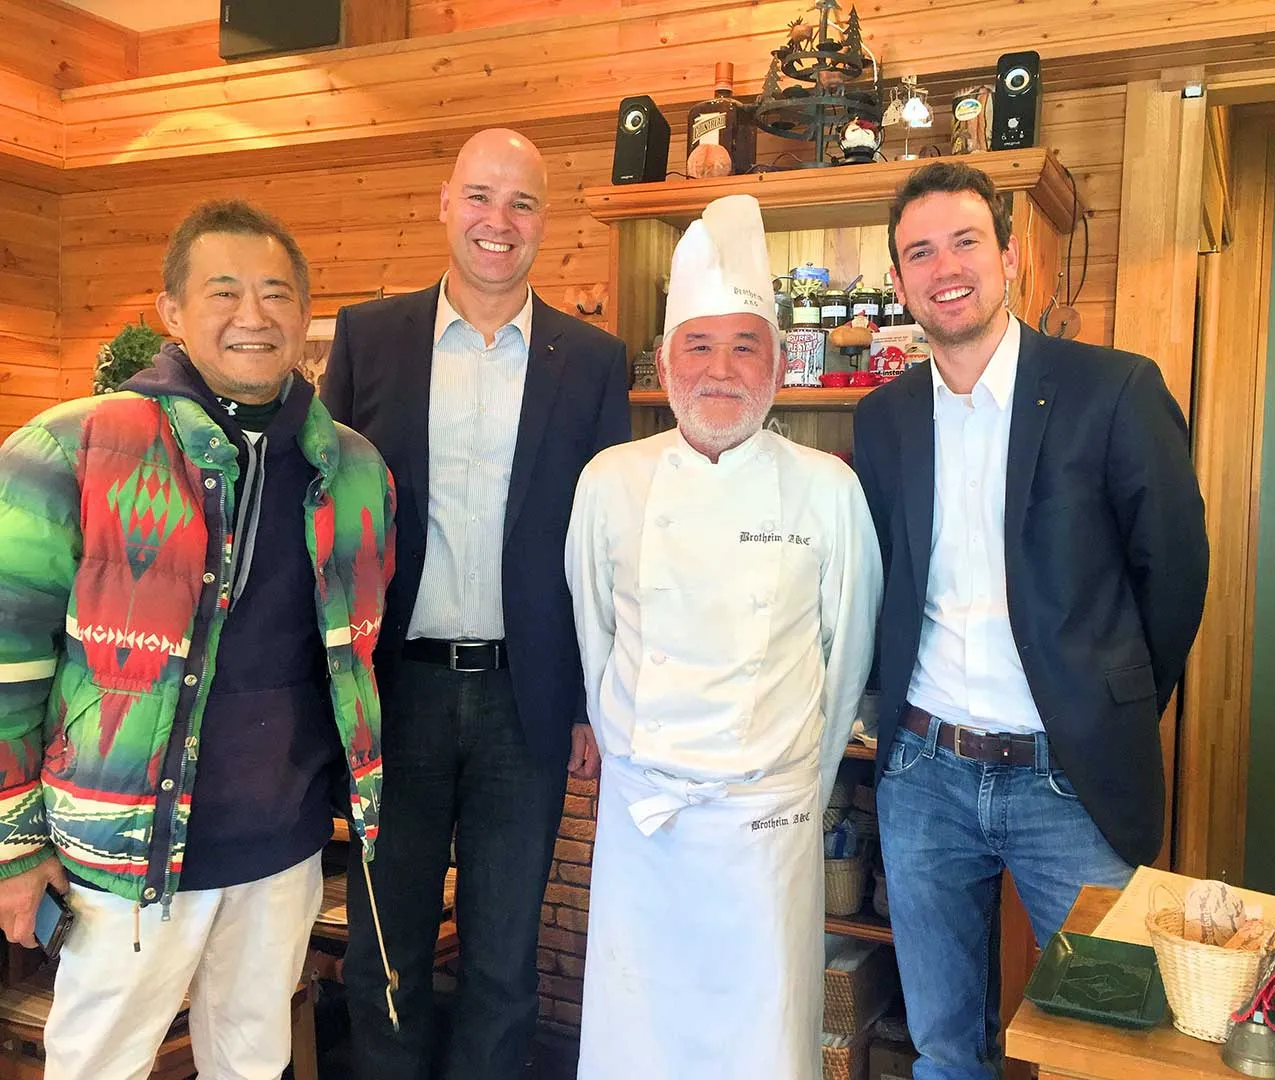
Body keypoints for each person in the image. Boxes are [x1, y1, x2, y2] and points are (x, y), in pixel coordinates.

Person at [0, 199, 394, 1079]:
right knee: (97, 1063)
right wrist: (13, 849)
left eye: (276, 294)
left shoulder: (359, 470)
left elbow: (351, 656)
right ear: (172, 313)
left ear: (304, 315)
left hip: (282, 844)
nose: (253, 316)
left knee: (253, 1061)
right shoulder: (71, 448)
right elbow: (5, 667)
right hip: (124, 846)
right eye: (224, 292)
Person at [851, 162, 1209, 1080]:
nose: (946, 267)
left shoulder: (1114, 389)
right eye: (919, 253)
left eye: (966, 241)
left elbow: (1173, 573)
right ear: (900, 284)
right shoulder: (884, 419)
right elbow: (884, 580)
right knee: (942, 1045)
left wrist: (1112, 703)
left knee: (1110, 1043)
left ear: (1010, 255)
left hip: (1070, 781)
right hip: (924, 774)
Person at [320, 128, 630, 1080]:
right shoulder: (368, 339)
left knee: (503, 957)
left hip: (521, 702)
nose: (501, 222)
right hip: (395, 695)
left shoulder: (594, 360)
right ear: (446, 202)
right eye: (483, 198)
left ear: (545, 221)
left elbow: (601, 547)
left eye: (524, 204)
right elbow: (328, 517)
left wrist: (584, 698)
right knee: (386, 949)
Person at [565, 193, 882, 1079]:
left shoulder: (827, 490)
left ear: (779, 363)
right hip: (645, 825)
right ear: (665, 360)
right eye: (697, 346)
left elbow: (846, 659)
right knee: (638, 1038)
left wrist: (792, 790)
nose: (721, 370)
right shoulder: (609, 483)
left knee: (764, 1043)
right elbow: (595, 642)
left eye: (746, 346)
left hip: (765, 830)